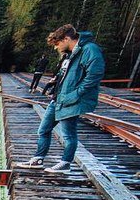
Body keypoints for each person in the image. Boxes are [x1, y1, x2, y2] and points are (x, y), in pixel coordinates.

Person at [25, 24, 105, 173]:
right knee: (43, 129)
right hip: (59, 98)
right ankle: (38, 159)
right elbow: (68, 72)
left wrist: (76, 94)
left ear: (66, 38)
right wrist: (55, 80)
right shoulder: (71, 52)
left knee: (68, 134)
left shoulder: (89, 49)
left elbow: (95, 75)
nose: (56, 47)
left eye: (57, 44)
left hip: (71, 100)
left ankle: (65, 163)